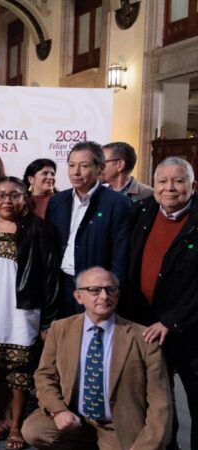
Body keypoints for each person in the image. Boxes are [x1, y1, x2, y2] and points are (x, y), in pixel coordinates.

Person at [21, 267, 172, 450]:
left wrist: (148, 445)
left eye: (110, 289)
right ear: (78, 297)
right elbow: (44, 376)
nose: (104, 296)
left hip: (116, 426)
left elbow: (160, 401)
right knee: (34, 430)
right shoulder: (61, 329)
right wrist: (58, 411)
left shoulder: (143, 338)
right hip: (76, 420)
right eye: (94, 290)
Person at [0, 177, 59, 448]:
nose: (6, 201)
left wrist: (48, 320)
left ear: (25, 197)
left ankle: (17, 425)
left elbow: (49, 278)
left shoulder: (38, 229)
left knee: (19, 371)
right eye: (0, 195)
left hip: (22, 311)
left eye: (14, 195)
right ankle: (4, 416)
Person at [125, 157, 198, 450]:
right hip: (146, 328)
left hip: (190, 331)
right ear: (153, 186)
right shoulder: (140, 212)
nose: (170, 188)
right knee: (158, 404)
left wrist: (172, 320)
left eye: (178, 181)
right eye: (162, 181)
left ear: (192, 186)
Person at [45, 141, 130, 318]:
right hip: (60, 285)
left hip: (95, 289)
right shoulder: (57, 201)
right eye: (71, 165)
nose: (76, 172)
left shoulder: (116, 203)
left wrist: (111, 291)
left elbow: (120, 253)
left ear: (100, 169)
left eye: (83, 166)